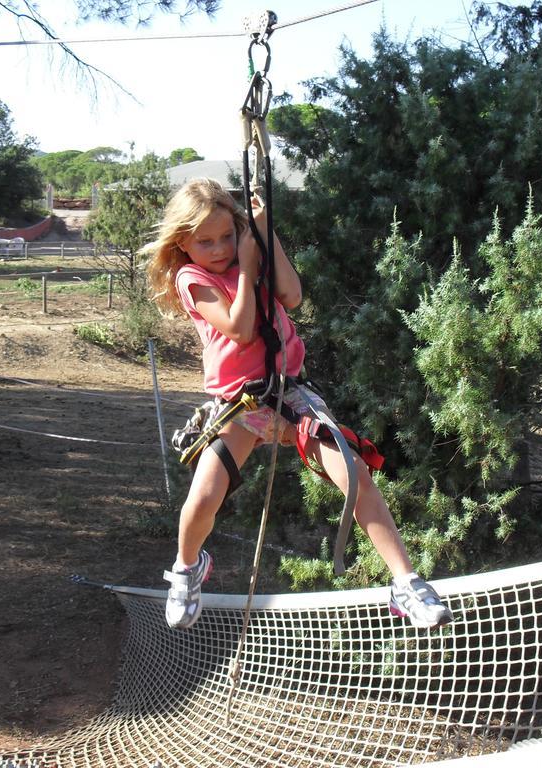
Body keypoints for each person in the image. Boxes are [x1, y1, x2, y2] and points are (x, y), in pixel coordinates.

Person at [146, 178, 454, 631]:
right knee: (203, 497)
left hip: (288, 389)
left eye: (228, 236)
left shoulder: (252, 253)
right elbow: (240, 327)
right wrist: (248, 268)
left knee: (354, 473)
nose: (218, 249)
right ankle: (188, 567)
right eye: (204, 241)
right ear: (183, 243)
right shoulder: (193, 277)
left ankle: (405, 583)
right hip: (240, 401)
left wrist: (265, 234)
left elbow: (292, 295)